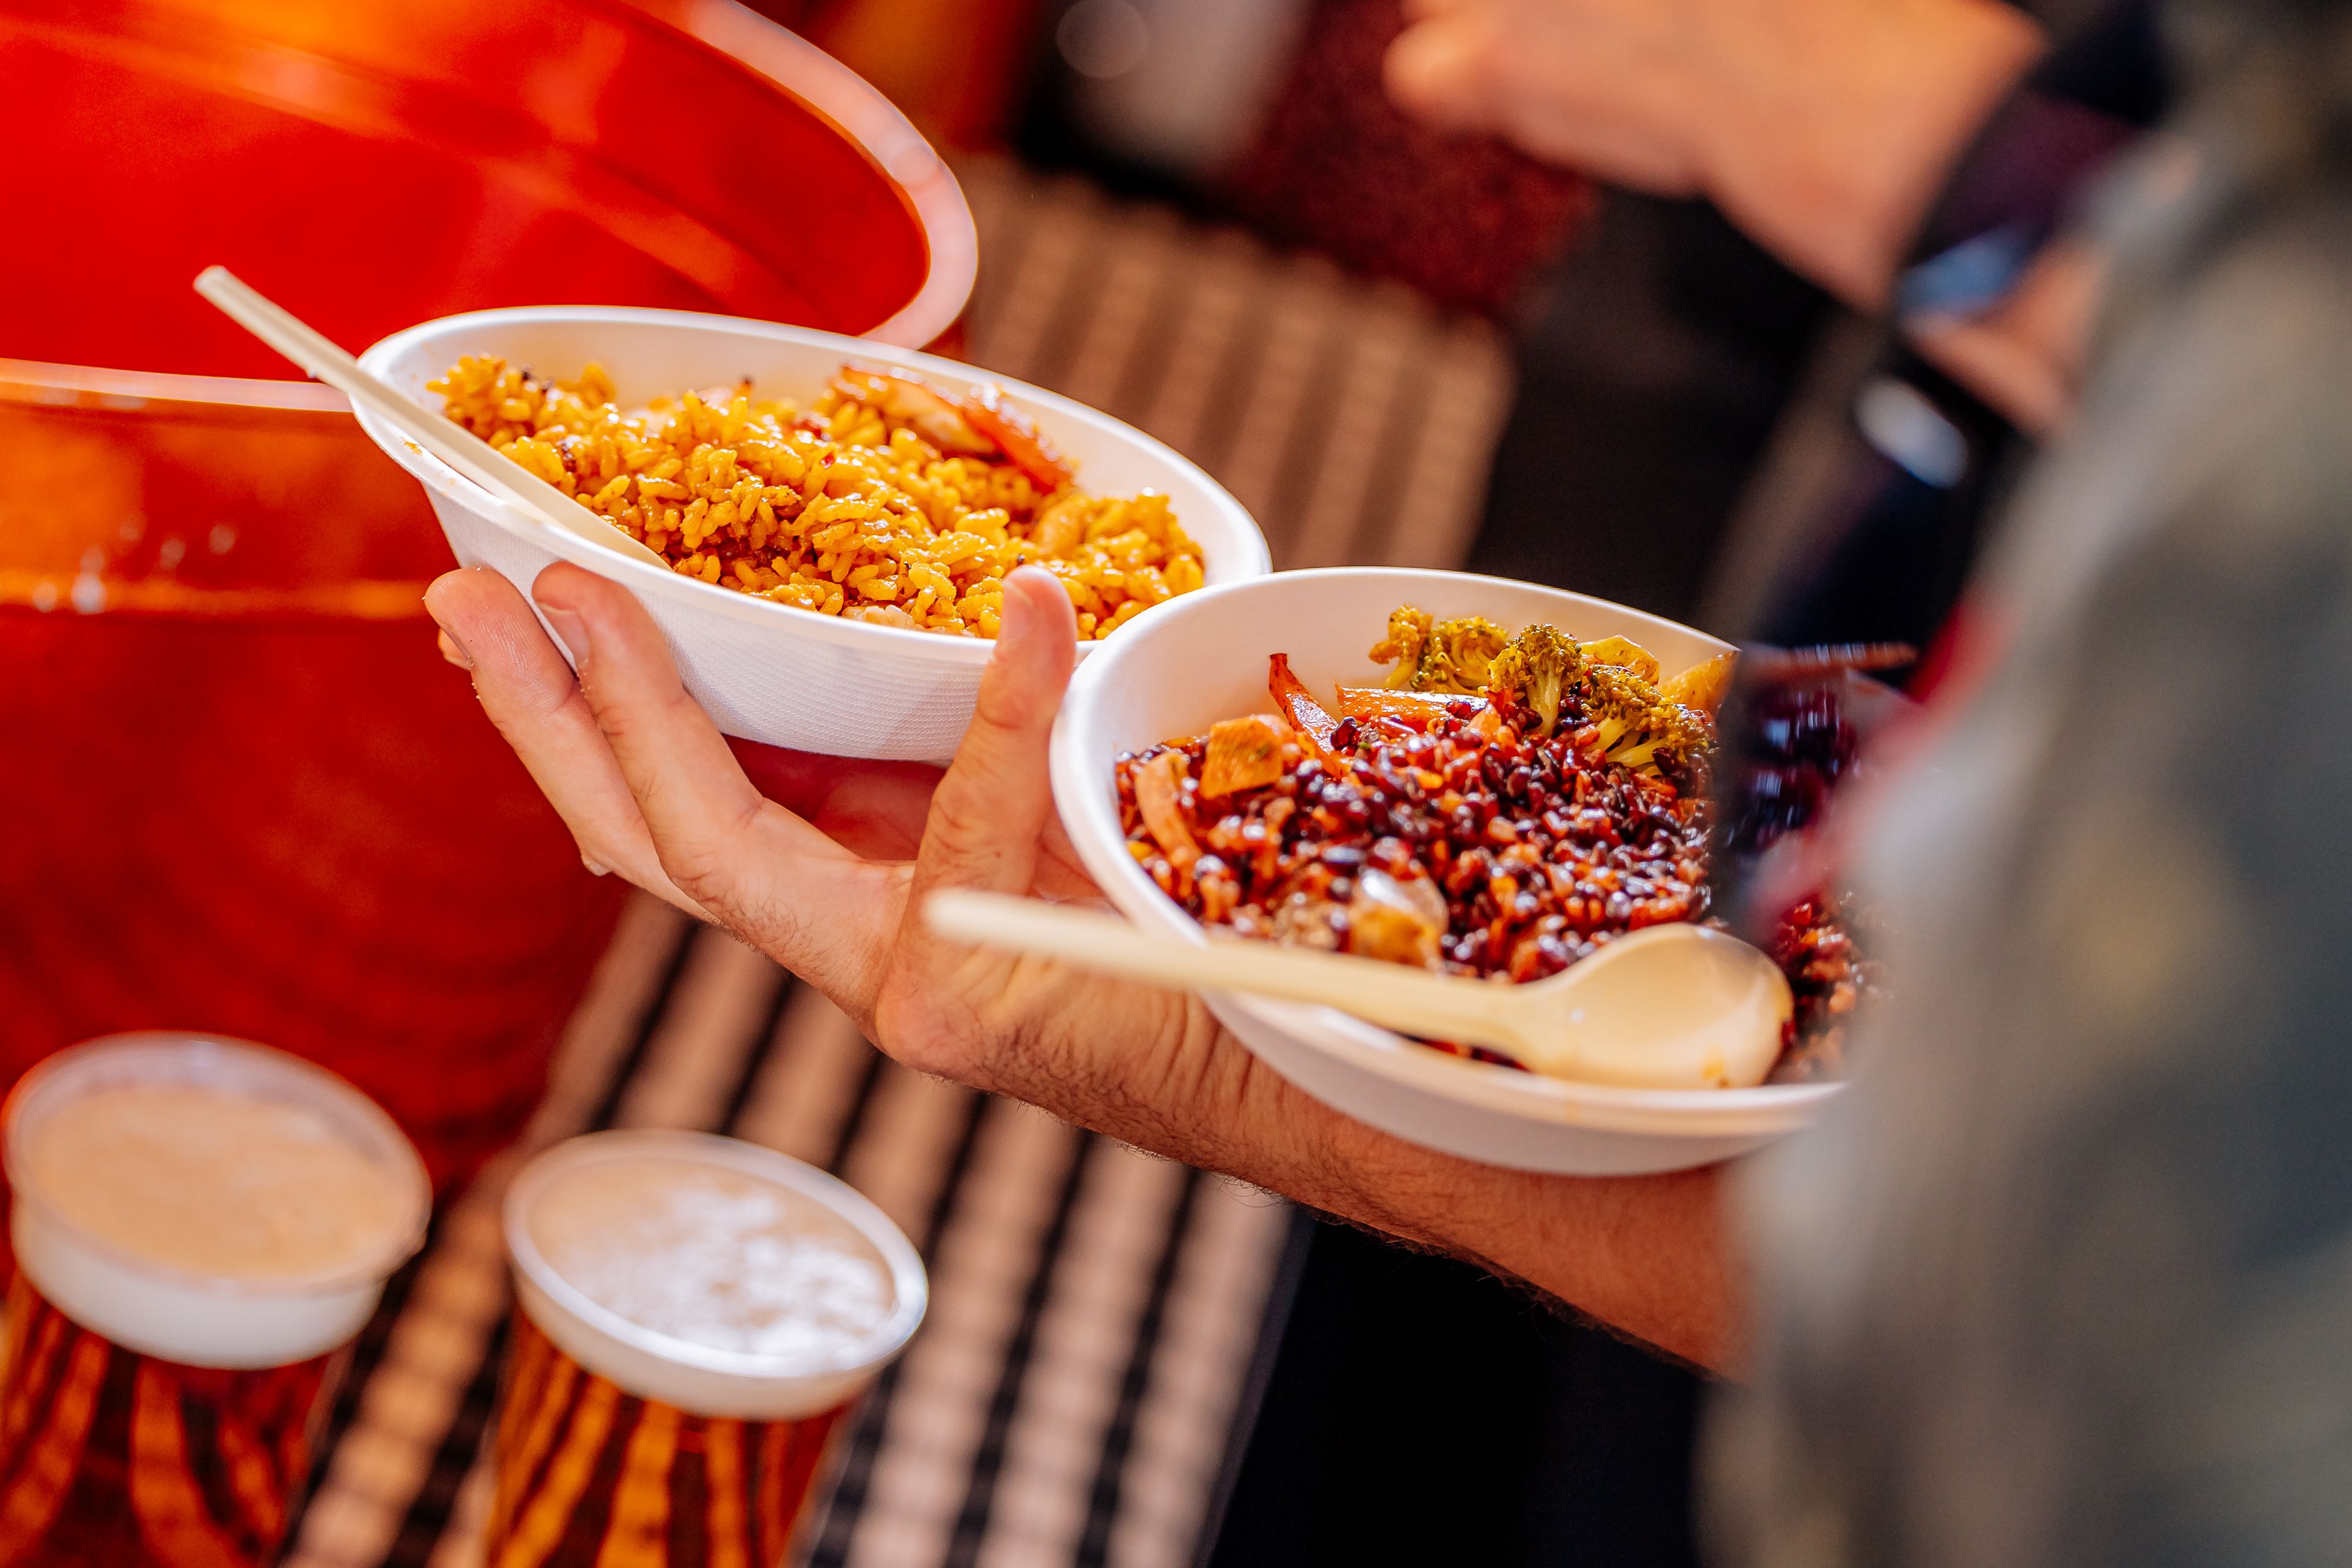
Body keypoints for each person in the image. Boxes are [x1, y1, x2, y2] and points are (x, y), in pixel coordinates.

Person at [424, 0, 2352, 1559]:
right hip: (1808, 294)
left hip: (2068, 339)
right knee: (1402, 1409)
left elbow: (2064, 1318)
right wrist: (1252, 1054)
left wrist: (2012, 196)